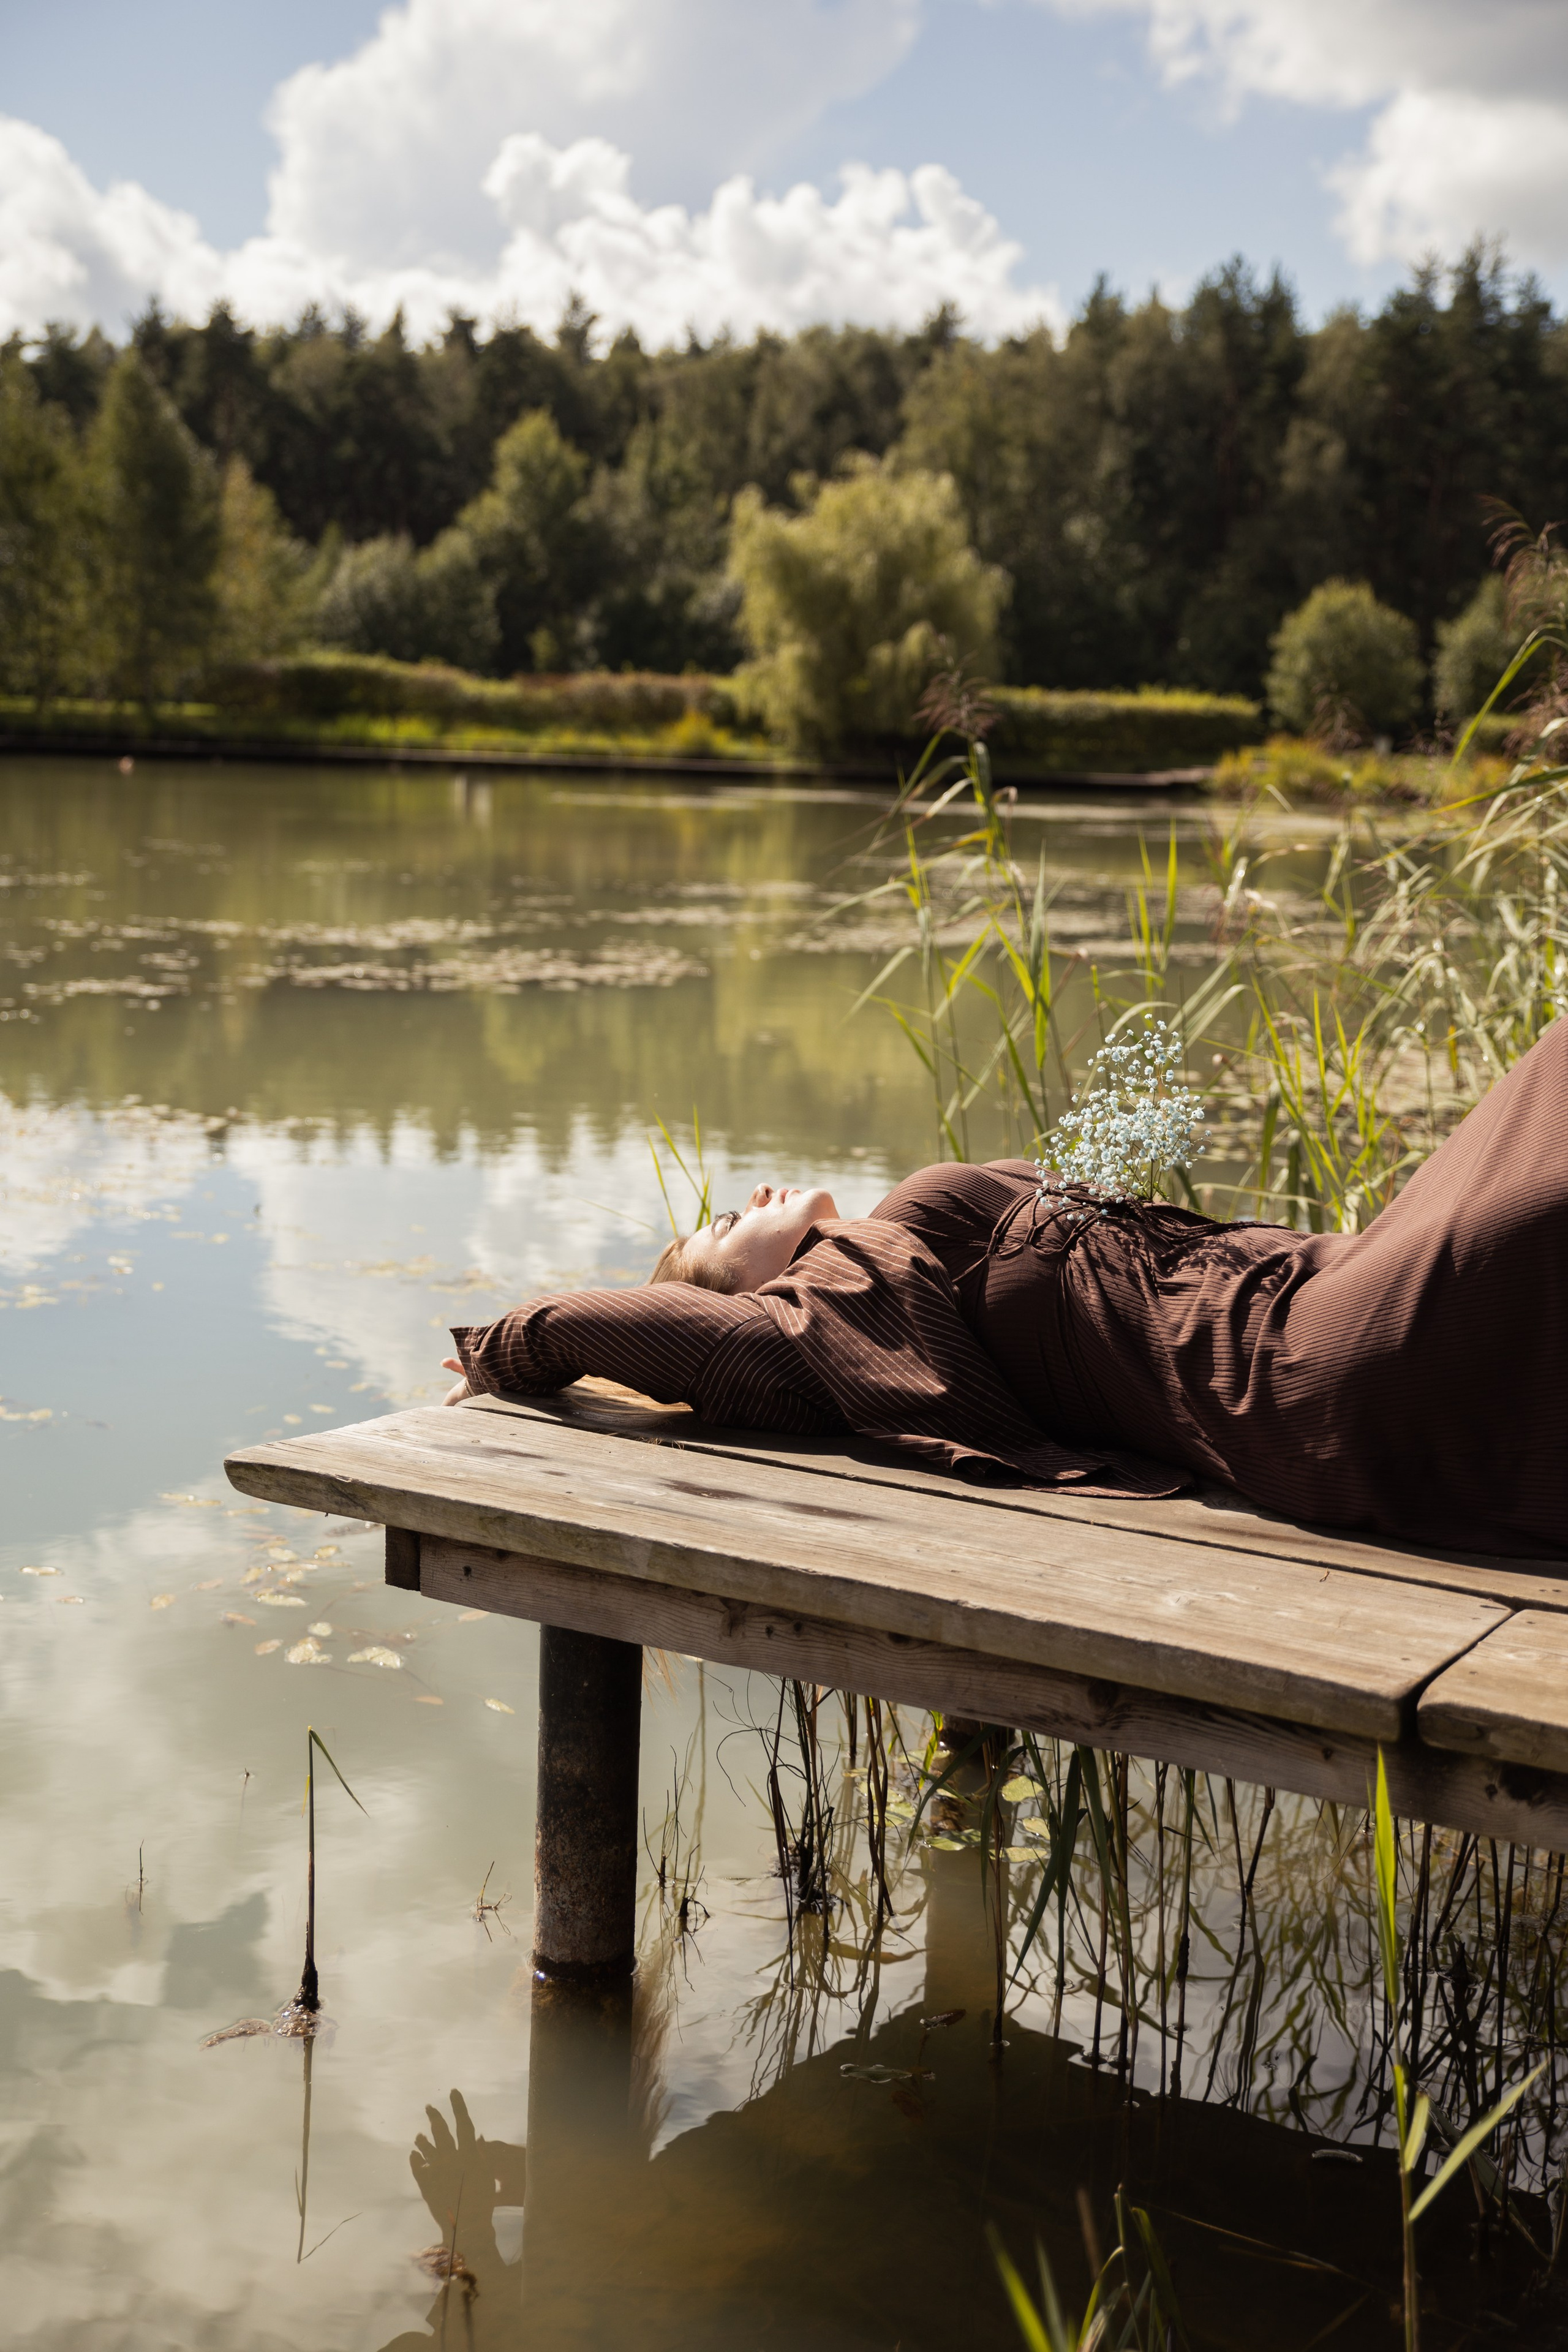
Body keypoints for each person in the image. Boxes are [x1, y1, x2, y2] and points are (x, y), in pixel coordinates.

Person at [443, 1020, 1568, 1560]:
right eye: (728, 1226)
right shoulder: (826, 1312)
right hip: (1301, 1372)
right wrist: (513, 1344)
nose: (750, 1192)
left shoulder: (887, 1279)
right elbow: (665, 1341)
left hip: (1302, 1289)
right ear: (743, 1293)